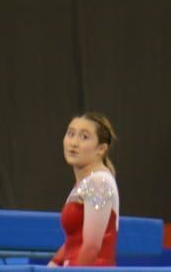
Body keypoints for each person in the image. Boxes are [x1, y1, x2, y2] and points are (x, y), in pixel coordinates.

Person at [50, 113, 119, 267]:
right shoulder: (86, 182)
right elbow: (74, 240)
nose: (74, 143)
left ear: (101, 149)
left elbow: (92, 247)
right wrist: (54, 263)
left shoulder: (99, 183)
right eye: (71, 134)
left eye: (84, 137)